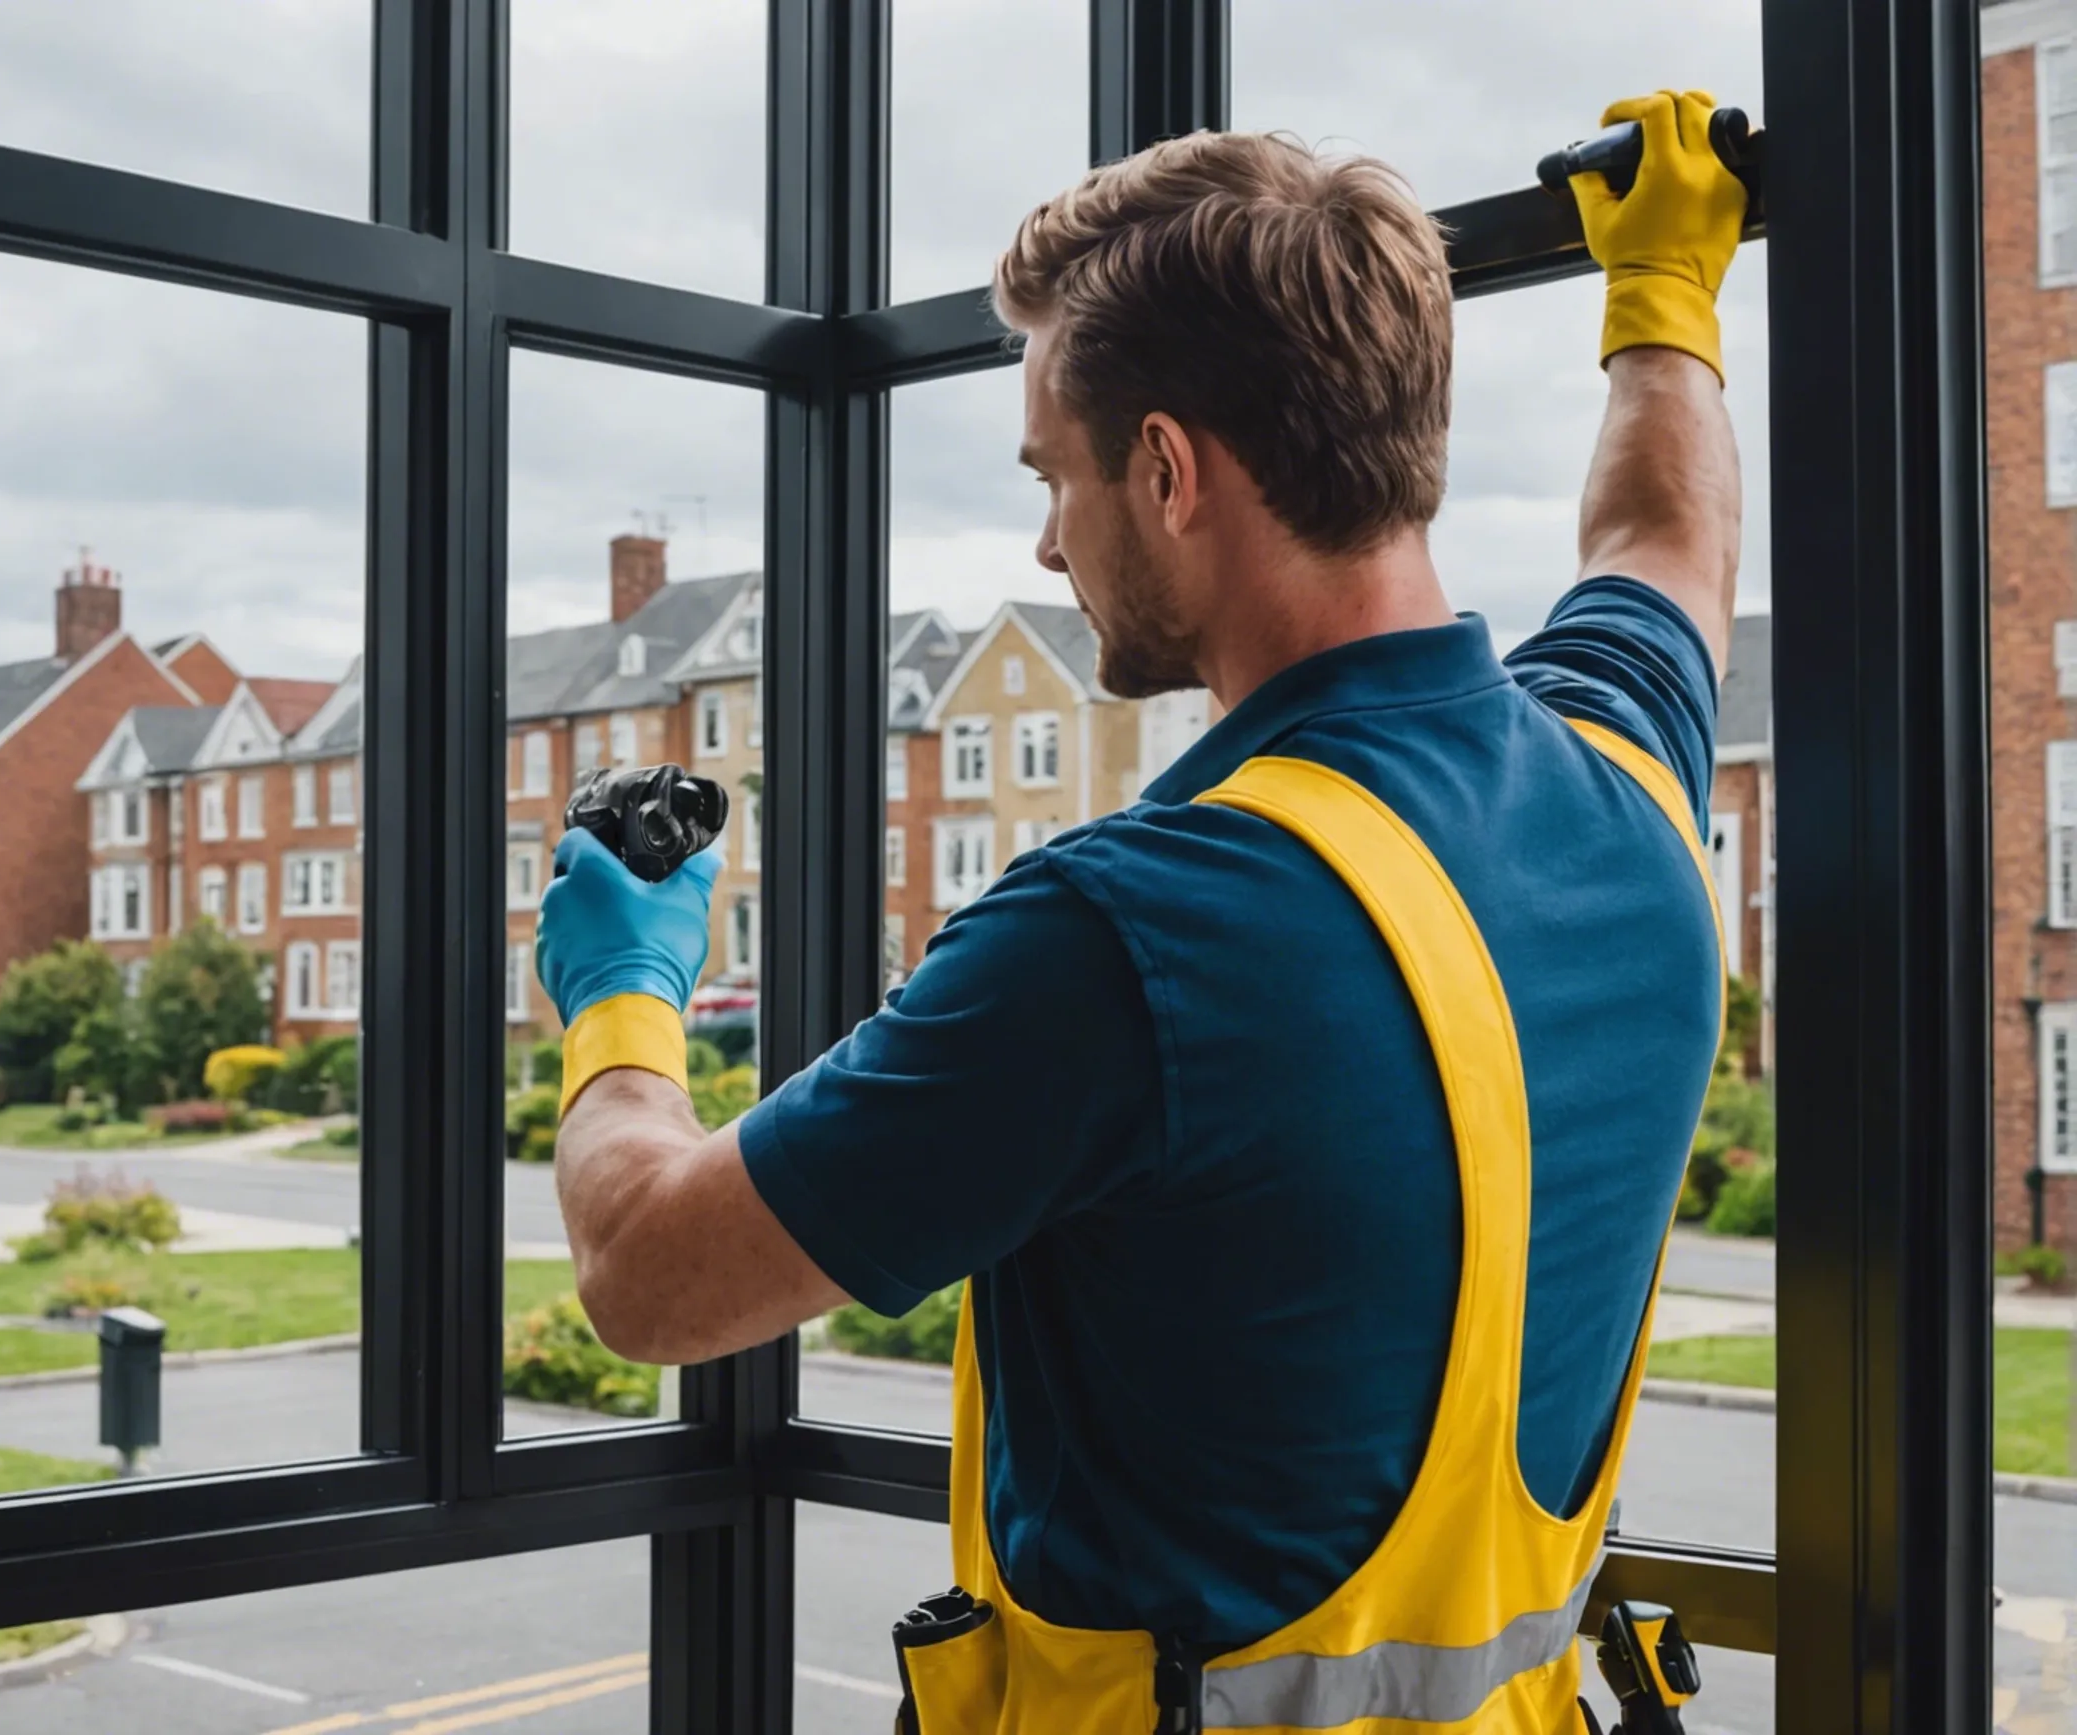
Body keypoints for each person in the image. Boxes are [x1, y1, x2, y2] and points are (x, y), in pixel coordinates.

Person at [535, 91, 1747, 1731]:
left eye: (1056, 475)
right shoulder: (1637, 793)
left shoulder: (1127, 937)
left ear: (1169, 468)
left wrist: (621, 993)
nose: (1049, 538)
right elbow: (1664, 542)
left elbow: (651, 1274)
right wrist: (1665, 301)